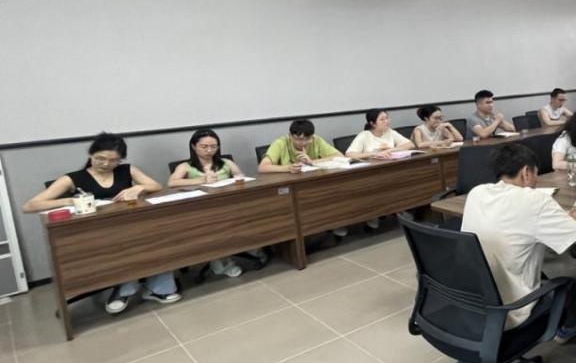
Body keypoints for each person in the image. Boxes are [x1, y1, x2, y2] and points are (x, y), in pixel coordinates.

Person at [23, 133, 179, 314]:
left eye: (113, 160)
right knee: (127, 245)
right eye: (100, 158)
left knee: (159, 236)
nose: (106, 164)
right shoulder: (73, 179)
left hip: (129, 224)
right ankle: (125, 289)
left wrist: (139, 187)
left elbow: (157, 186)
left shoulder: (127, 170)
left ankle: (157, 287)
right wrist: (69, 200)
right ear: (91, 155)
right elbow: (29, 206)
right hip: (96, 232)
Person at [461, 144, 576, 332]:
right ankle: (574, 322)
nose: (537, 180)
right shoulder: (535, 200)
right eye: (536, 173)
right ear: (526, 172)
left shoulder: (477, 193)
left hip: (471, 301)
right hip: (511, 309)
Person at [167, 128, 248, 278]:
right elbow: (171, 183)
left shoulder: (226, 163)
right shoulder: (186, 166)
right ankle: (221, 262)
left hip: (228, 205)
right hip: (201, 210)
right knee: (215, 226)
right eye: (204, 147)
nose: (209, 150)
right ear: (194, 146)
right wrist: (202, 180)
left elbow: (241, 178)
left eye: (213, 146)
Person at [258, 119, 342, 173]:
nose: (303, 143)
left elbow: (339, 156)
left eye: (307, 139)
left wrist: (312, 162)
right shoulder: (280, 143)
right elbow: (262, 167)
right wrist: (288, 168)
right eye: (299, 139)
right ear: (290, 136)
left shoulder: (316, 140)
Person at [346, 109, 415, 159]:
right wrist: (375, 154)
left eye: (387, 118)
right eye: (382, 119)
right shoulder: (364, 135)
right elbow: (349, 154)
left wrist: (390, 150)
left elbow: (410, 144)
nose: (386, 121)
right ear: (372, 123)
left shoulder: (390, 132)